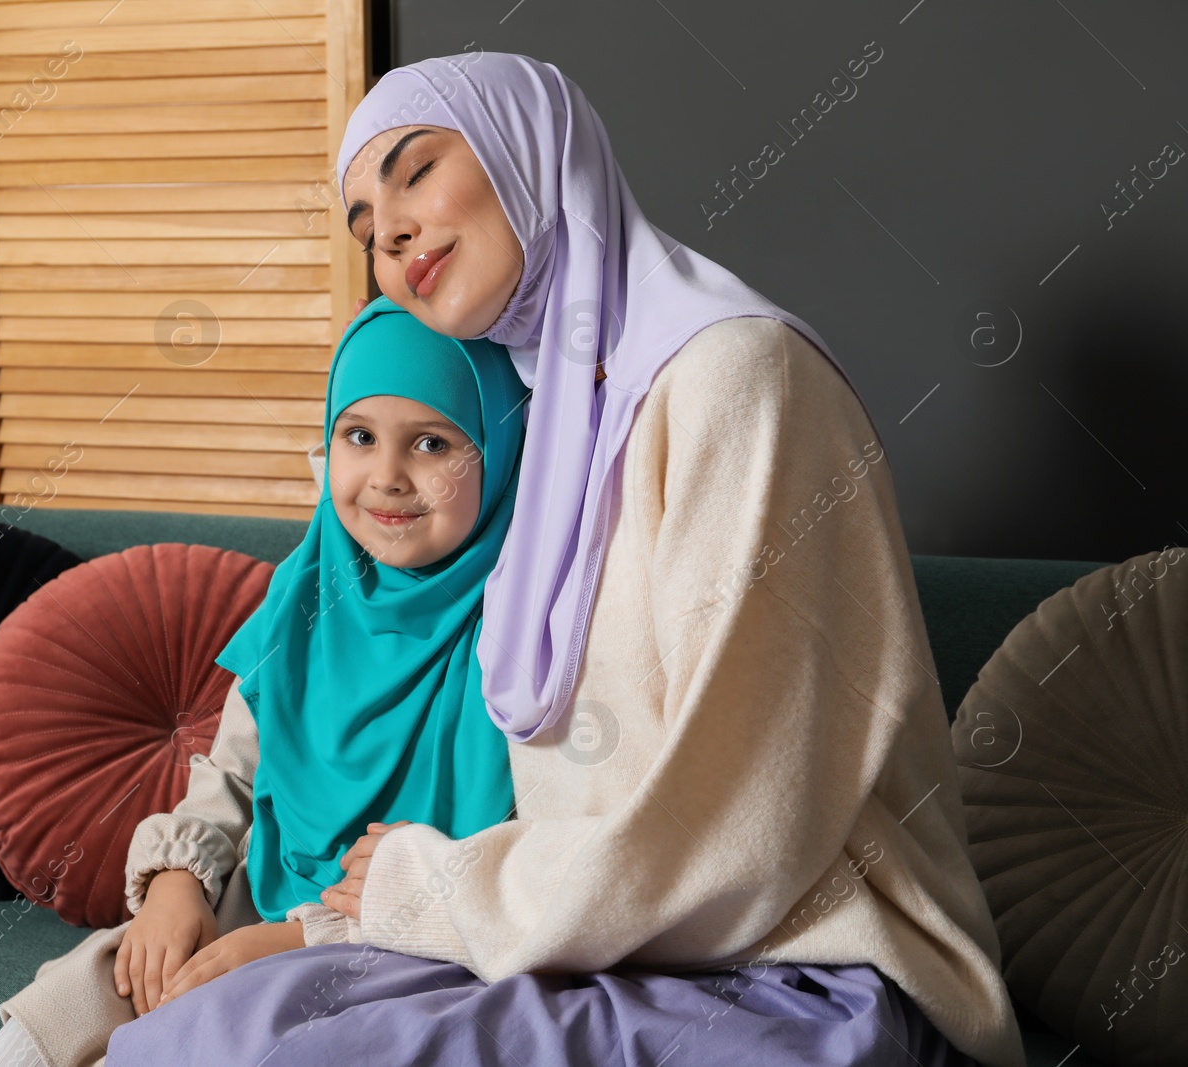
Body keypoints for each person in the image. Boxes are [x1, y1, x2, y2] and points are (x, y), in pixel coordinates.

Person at [102, 52, 1026, 1067]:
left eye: (414, 172)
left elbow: (740, 830)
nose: (391, 229)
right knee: (193, 1033)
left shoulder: (736, 377)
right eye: (364, 222)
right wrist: (323, 913)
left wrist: (425, 888)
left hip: (799, 970)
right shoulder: (553, 433)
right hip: (594, 945)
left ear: (528, 151)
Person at [0, 295, 531, 1067]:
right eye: (359, 436)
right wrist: (175, 879)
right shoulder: (306, 594)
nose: (388, 476)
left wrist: (297, 940)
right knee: (111, 974)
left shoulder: (526, 633)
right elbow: (232, 772)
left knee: (230, 1021)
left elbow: (515, 871)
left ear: (500, 456)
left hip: (403, 944)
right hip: (253, 900)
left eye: (432, 443)